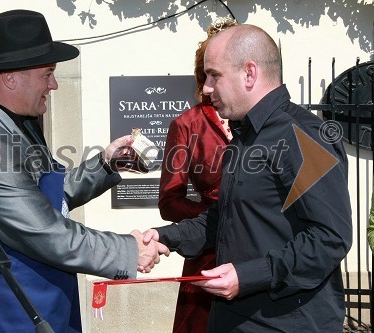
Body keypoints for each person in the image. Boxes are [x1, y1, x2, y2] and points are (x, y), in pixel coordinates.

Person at [0, 9, 169, 333]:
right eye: (47, 73)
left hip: (35, 292)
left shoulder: (13, 122)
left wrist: (105, 164)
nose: (54, 84)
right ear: (11, 77)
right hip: (2, 306)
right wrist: (128, 250)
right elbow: (44, 232)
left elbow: (46, 195)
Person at [144, 24, 352, 332]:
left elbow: (330, 238)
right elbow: (225, 220)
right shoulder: (243, 137)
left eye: (214, 75)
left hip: (284, 324)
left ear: (249, 73)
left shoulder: (303, 134)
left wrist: (250, 275)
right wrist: (164, 237)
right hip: (233, 321)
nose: (206, 88)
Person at [158, 17, 235, 333]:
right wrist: (216, 218)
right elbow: (169, 200)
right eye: (209, 73)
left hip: (261, 251)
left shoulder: (268, 122)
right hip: (209, 251)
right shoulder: (188, 124)